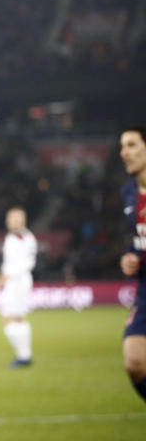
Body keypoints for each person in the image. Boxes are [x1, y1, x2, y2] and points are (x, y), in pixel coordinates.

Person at [119, 125, 146, 403]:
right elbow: (138, 238)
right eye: (122, 147)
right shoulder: (128, 192)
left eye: (132, 145)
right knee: (134, 362)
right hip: (145, 289)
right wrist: (132, 256)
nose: (124, 153)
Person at [0, 206, 37, 368]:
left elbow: (27, 263)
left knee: (8, 317)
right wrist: (1, 277)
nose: (14, 221)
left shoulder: (25, 238)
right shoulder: (12, 238)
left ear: (23, 220)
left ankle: (24, 356)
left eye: (17, 218)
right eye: (11, 218)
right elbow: (8, 262)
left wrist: (6, 276)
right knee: (16, 318)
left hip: (18, 281)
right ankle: (24, 355)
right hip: (13, 281)